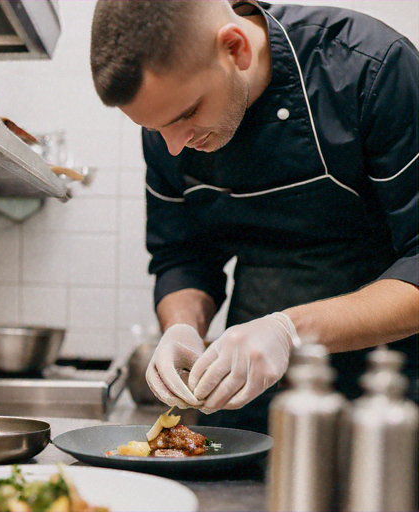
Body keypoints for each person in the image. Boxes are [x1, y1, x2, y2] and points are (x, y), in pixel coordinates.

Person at [90, 0, 418, 433]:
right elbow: (182, 258)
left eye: (187, 113)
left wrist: (288, 330)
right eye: (154, 128)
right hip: (251, 407)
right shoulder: (171, 135)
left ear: (236, 49)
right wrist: (182, 328)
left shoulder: (371, 69)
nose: (173, 146)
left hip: (389, 401)